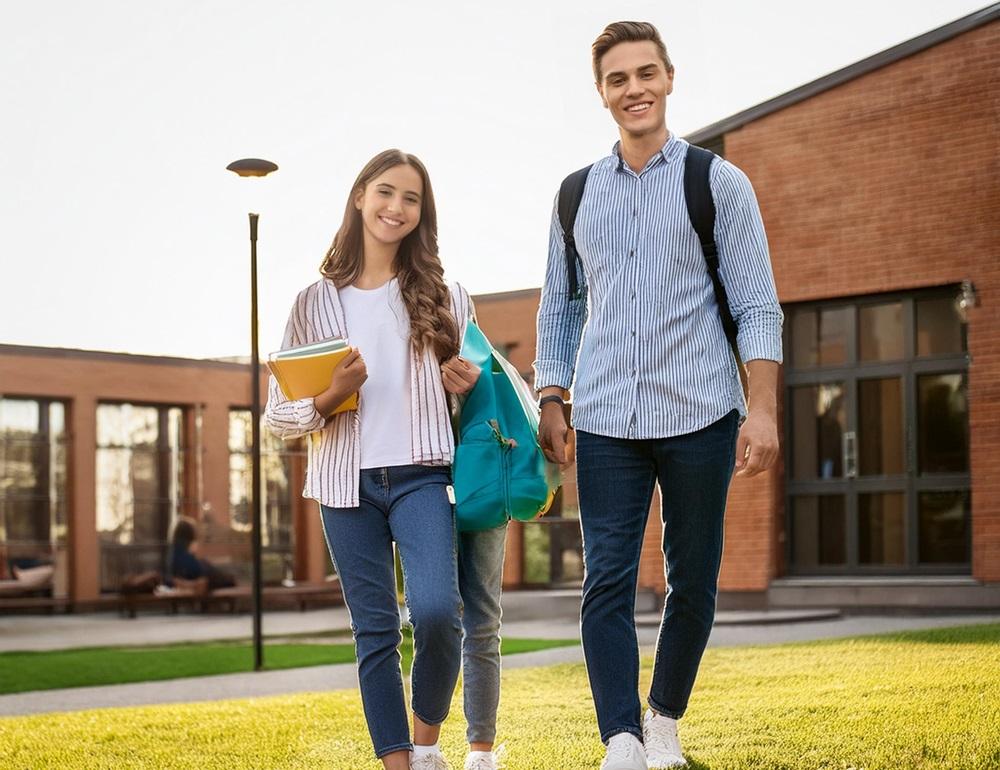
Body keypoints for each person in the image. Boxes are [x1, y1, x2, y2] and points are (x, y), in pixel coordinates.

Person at [534, 21, 783, 770]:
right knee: (604, 578)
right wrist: (552, 395)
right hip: (606, 415)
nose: (634, 88)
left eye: (646, 73)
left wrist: (763, 407)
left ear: (669, 79)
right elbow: (559, 307)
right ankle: (621, 738)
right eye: (618, 78)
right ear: (602, 93)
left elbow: (757, 305)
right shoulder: (575, 194)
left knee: (693, 578)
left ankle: (664, 717)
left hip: (702, 410)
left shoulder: (717, 182)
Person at [264, 149, 504, 770]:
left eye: (411, 199)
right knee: (374, 633)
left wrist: (465, 383)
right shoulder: (312, 302)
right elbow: (276, 417)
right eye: (386, 193)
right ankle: (397, 764)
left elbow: (475, 390)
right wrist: (328, 398)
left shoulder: (447, 294)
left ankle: (427, 745)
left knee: (437, 612)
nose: (396, 208)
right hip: (345, 487)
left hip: (423, 476)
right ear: (359, 197)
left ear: (422, 214)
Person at [168, 517, 236, 593]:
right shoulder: (182, 555)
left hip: (198, 575)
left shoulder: (175, 551)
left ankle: (229, 579)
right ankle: (229, 579)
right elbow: (198, 572)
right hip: (200, 576)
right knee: (223, 577)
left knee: (211, 568)